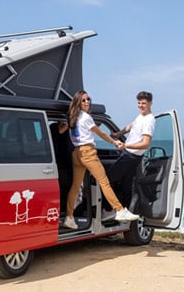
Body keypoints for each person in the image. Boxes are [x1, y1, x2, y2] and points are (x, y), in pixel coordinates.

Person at [58, 91, 139, 228]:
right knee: (104, 182)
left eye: (88, 99)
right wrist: (115, 142)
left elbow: (61, 131)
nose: (87, 102)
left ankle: (69, 217)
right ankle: (119, 210)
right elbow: (100, 133)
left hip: (76, 153)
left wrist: (61, 124)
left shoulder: (72, 117)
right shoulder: (86, 117)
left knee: (76, 186)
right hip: (88, 153)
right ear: (78, 102)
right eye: (83, 100)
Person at [107, 91, 157, 209]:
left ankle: (109, 207)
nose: (140, 105)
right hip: (128, 154)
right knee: (126, 184)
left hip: (132, 156)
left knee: (107, 179)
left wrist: (126, 146)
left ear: (150, 103)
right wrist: (118, 133)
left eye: (143, 103)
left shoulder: (149, 121)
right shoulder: (141, 116)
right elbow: (131, 126)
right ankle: (124, 209)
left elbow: (145, 144)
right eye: (139, 103)